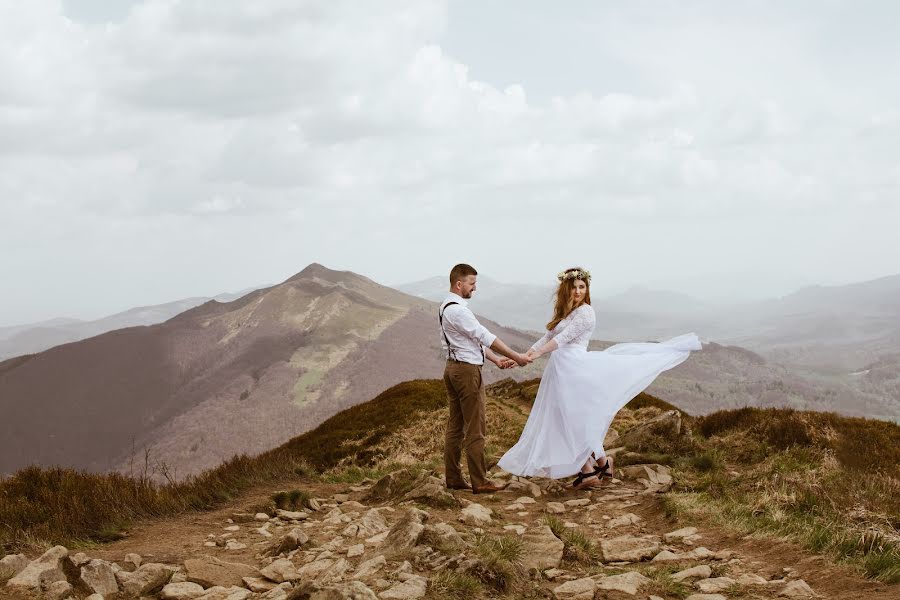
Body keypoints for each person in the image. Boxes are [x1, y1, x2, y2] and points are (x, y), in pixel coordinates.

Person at [497, 267, 701, 489]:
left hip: (575, 370)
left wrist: (536, 354)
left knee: (571, 420)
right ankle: (603, 464)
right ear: (566, 289)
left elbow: (564, 339)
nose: (578, 291)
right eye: (574, 287)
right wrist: (520, 357)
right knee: (568, 418)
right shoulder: (566, 312)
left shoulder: (586, 312)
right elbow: (548, 336)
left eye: (582, 287)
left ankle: (587, 471)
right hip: (560, 370)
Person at [440, 263, 532, 494]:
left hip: (453, 369)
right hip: (467, 372)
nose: (474, 288)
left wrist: (498, 361)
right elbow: (485, 336)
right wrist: (516, 356)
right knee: (475, 428)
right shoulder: (459, 310)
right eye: (472, 284)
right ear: (459, 284)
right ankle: (480, 481)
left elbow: (473, 342)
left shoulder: (445, 306)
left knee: (456, 426)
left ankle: (453, 477)